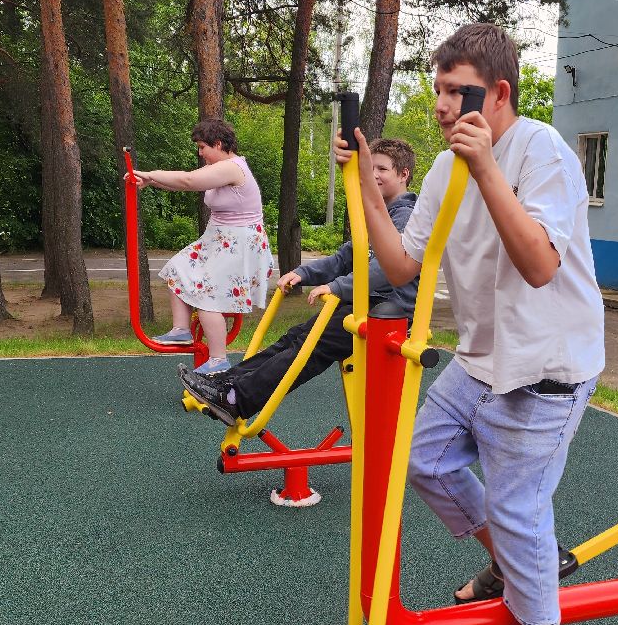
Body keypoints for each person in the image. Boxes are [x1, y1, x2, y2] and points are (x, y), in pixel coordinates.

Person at [337, 22, 604, 625]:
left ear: (500, 91)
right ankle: (512, 564)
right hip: (482, 357)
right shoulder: (442, 166)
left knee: (521, 508)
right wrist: (364, 184)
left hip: (546, 362)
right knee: (418, 462)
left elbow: (540, 264)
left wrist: (487, 168)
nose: (442, 107)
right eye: (438, 92)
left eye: (456, 92)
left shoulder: (540, 149)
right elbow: (402, 265)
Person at [178, 139, 420, 425]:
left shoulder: (405, 216)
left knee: (310, 345)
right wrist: (304, 273)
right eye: (371, 168)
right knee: (295, 337)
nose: (374, 174)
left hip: (389, 314)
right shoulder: (378, 216)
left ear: (403, 174)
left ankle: (236, 399)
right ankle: (226, 384)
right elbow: (344, 258)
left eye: (383, 169)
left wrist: (336, 287)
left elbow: (384, 270)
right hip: (366, 305)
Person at [133, 119, 275, 374]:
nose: (200, 154)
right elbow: (187, 184)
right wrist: (150, 182)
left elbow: (188, 181)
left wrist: (151, 174)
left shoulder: (232, 167)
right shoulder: (219, 168)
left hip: (238, 242)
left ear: (218, 144)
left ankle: (219, 360)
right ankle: (181, 331)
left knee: (207, 295)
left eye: (202, 147)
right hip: (219, 239)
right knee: (177, 269)